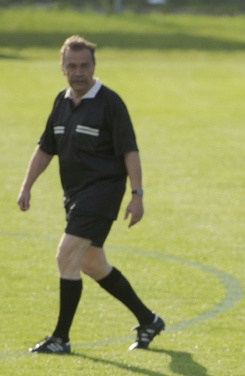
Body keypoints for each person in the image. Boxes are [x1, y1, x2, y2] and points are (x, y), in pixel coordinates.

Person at [17, 35, 164, 354]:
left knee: (65, 256)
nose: (79, 71)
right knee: (92, 264)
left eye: (85, 65)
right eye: (72, 66)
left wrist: (137, 194)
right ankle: (148, 319)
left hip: (102, 195)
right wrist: (26, 185)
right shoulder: (61, 102)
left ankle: (61, 338)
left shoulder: (110, 103)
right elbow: (45, 148)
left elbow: (130, 151)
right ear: (62, 68)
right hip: (74, 197)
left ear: (94, 66)